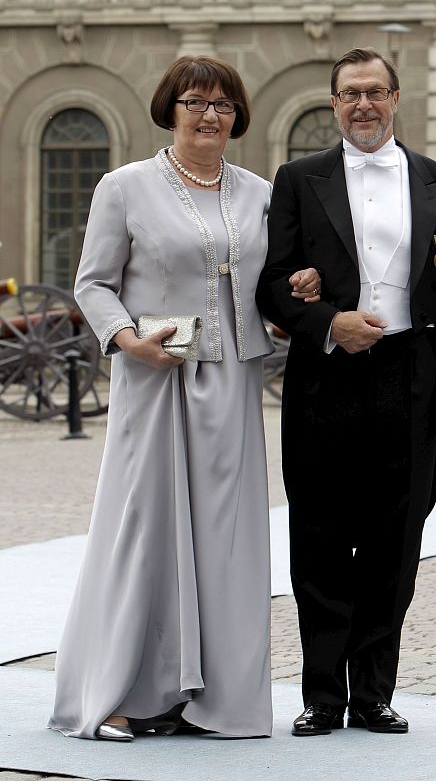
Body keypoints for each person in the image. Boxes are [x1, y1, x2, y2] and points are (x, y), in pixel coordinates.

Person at [48, 55, 320, 741]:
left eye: (223, 105)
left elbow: (276, 285)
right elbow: (92, 283)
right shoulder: (124, 186)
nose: (209, 115)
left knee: (228, 542)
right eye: (195, 101)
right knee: (143, 531)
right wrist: (127, 339)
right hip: (154, 377)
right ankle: (115, 695)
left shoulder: (262, 193)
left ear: (239, 117)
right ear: (170, 108)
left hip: (232, 382)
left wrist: (303, 292)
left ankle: (220, 702)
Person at [257, 47, 436, 737]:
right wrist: (328, 322)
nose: (363, 104)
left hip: (412, 376)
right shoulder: (299, 178)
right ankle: (322, 696)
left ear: (396, 98)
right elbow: (269, 284)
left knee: (395, 539)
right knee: (319, 537)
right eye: (350, 94)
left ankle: (374, 693)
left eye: (375, 92)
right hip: (325, 378)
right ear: (333, 104)